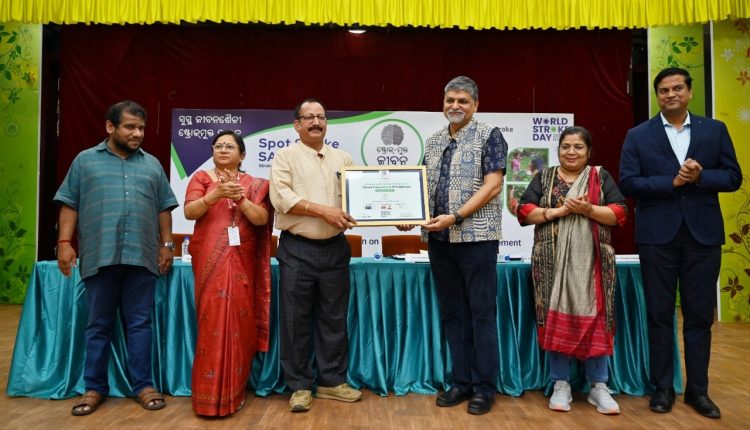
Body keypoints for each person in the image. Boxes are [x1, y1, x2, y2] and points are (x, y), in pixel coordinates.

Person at [619, 67, 742, 419]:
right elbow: (628, 183)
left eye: (677, 88)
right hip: (657, 237)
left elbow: (733, 177)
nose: (671, 94)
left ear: (689, 92)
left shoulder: (714, 130)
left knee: (700, 316)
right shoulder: (638, 135)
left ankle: (698, 391)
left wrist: (701, 176)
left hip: (703, 236)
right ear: (657, 95)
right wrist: (670, 182)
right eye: (664, 90)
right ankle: (662, 389)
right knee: (659, 315)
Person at [54, 100, 178, 416]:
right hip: (100, 254)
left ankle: (144, 386)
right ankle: (94, 388)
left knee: (140, 324)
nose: (138, 133)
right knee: (98, 325)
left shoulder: (152, 165)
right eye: (130, 127)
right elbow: (70, 203)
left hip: (142, 256)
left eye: (141, 128)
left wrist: (167, 244)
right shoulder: (84, 161)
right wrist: (64, 242)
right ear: (110, 127)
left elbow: (164, 207)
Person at [517, 126, 628, 414]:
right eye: (566, 146)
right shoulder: (545, 177)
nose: (571, 152)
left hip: (593, 265)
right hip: (551, 263)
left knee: (597, 318)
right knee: (555, 316)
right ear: (558, 150)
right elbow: (524, 211)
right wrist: (558, 211)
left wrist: (588, 210)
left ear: (588, 152)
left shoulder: (600, 177)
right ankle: (560, 384)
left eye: (578, 147)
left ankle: (599, 386)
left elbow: (619, 213)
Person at [413, 75, 507, 415]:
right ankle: (462, 382)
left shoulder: (490, 136)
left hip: (476, 239)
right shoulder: (433, 140)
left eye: (463, 101)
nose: (455, 106)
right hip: (440, 241)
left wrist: (456, 216)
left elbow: (493, 186)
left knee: (481, 314)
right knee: (453, 313)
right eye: (450, 100)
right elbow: (421, 187)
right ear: (443, 104)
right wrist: (409, 214)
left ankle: (484, 387)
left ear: (476, 105)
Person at [269, 98, 362, 412]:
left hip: (335, 249)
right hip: (297, 249)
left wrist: (396, 215)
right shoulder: (285, 157)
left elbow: (361, 196)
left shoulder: (343, 158)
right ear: (297, 124)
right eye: (308, 117)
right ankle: (299, 387)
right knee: (294, 320)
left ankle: (331, 382)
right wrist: (323, 211)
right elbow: (281, 198)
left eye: (321, 117)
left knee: (334, 319)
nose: (316, 122)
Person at [183, 130, 273, 416]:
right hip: (209, 259)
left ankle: (234, 392)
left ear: (242, 155)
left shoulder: (256, 185)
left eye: (229, 146)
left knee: (240, 321)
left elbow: (261, 219)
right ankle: (207, 397)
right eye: (218, 146)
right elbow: (190, 212)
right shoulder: (201, 178)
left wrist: (242, 200)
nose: (223, 150)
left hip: (243, 261)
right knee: (212, 322)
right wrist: (216, 195)